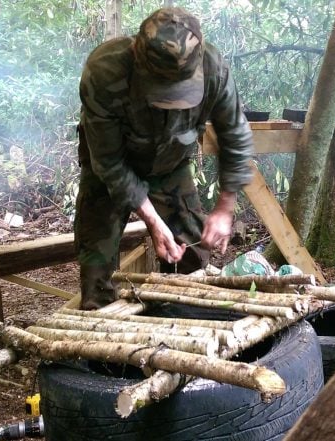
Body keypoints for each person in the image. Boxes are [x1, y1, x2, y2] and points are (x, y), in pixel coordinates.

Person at [75, 7, 255, 310]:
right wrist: (154, 223)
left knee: (194, 254)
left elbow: (235, 136)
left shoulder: (213, 69)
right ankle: (104, 341)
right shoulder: (105, 71)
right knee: (97, 264)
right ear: (136, 52)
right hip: (109, 172)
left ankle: (183, 322)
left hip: (170, 166)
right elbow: (108, 163)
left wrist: (225, 208)